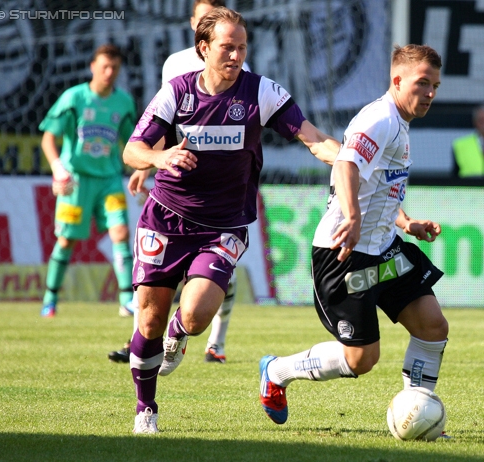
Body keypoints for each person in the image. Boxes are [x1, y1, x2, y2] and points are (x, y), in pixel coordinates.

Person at [124, 7, 340, 434]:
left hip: (223, 224)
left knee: (199, 312)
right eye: (227, 46)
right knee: (147, 320)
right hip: (166, 218)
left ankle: (181, 331)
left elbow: (312, 138)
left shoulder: (261, 92)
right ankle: (145, 407)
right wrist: (159, 156)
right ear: (203, 48)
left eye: (242, 47)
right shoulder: (176, 91)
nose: (236, 55)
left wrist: (352, 158)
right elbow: (132, 150)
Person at [258, 44, 449, 427]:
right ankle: (277, 371)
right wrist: (354, 215)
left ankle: (418, 415)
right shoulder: (380, 118)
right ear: (397, 80)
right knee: (362, 359)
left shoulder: (400, 123)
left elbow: (378, 185)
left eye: (435, 86)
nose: (429, 93)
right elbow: (346, 164)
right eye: (422, 83)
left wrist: (405, 222)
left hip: (383, 249)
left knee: (432, 326)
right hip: (343, 253)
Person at [107, 0, 252, 365]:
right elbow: (160, 123)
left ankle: (215, 340)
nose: (233, 52)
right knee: (160, 289)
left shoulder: (240, 69)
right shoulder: (176, 67)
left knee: (213, 282)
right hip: (176, 190)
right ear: (195, 27)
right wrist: (151, 162)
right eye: (204, 19)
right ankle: (144, 337)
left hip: (223, 196)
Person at [38, 44, 137, 318]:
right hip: (77, 181)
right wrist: (58, 168)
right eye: (104, 66)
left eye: (114, 67)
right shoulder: (74, 98)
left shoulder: (124, 102)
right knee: (67, 241)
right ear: (92, 66)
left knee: (121, 233)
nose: (109, 72)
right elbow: (48, 137)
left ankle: (127, 300)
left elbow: (133, 143)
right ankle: (50, 300)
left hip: (110, 180)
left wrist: (141, 171)